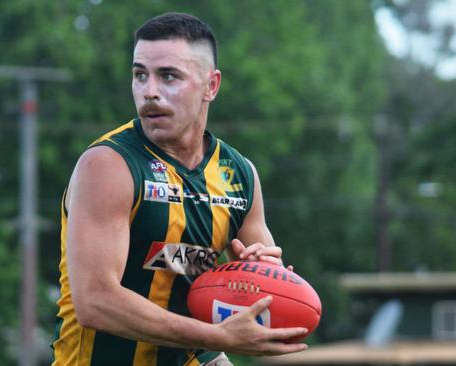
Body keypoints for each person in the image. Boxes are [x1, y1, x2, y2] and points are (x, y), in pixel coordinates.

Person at [52, 12, 308, 366]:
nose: (150, 91)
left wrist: (262, 272)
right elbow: (96, 302)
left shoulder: (240, 174)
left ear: (211, 86)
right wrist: (219, 337)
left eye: (168, 76)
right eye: (140, 74)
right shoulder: (108, 165)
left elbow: (264, 291)